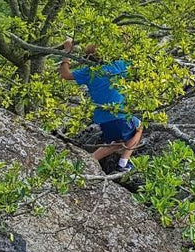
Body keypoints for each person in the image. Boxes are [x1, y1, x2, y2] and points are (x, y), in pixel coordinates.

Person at [60, 38, 142, 172]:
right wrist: (126, 40)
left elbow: (65, 74)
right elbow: (136, 60)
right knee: (139, 127)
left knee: (117, 142)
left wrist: (67, 52)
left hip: (103, 118)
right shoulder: (118, 66)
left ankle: (88, 161)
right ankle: (123, 163)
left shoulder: (88, 72)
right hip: (120, 114)